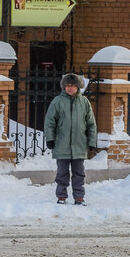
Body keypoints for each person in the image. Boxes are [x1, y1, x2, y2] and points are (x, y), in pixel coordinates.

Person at [44, 73, 98, 205]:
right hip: (62, 144)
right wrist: (50, 139)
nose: (70, 88)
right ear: (64, 87)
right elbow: (50, 121)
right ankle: (61, 196)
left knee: (79, 173)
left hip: (79, 144)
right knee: (62, 173)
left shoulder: (84, 102)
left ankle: (79, 197)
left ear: (78, 87)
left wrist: (92, 142)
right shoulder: (57, 101)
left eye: (73, 86)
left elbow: (91, 124)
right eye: (67, 86)